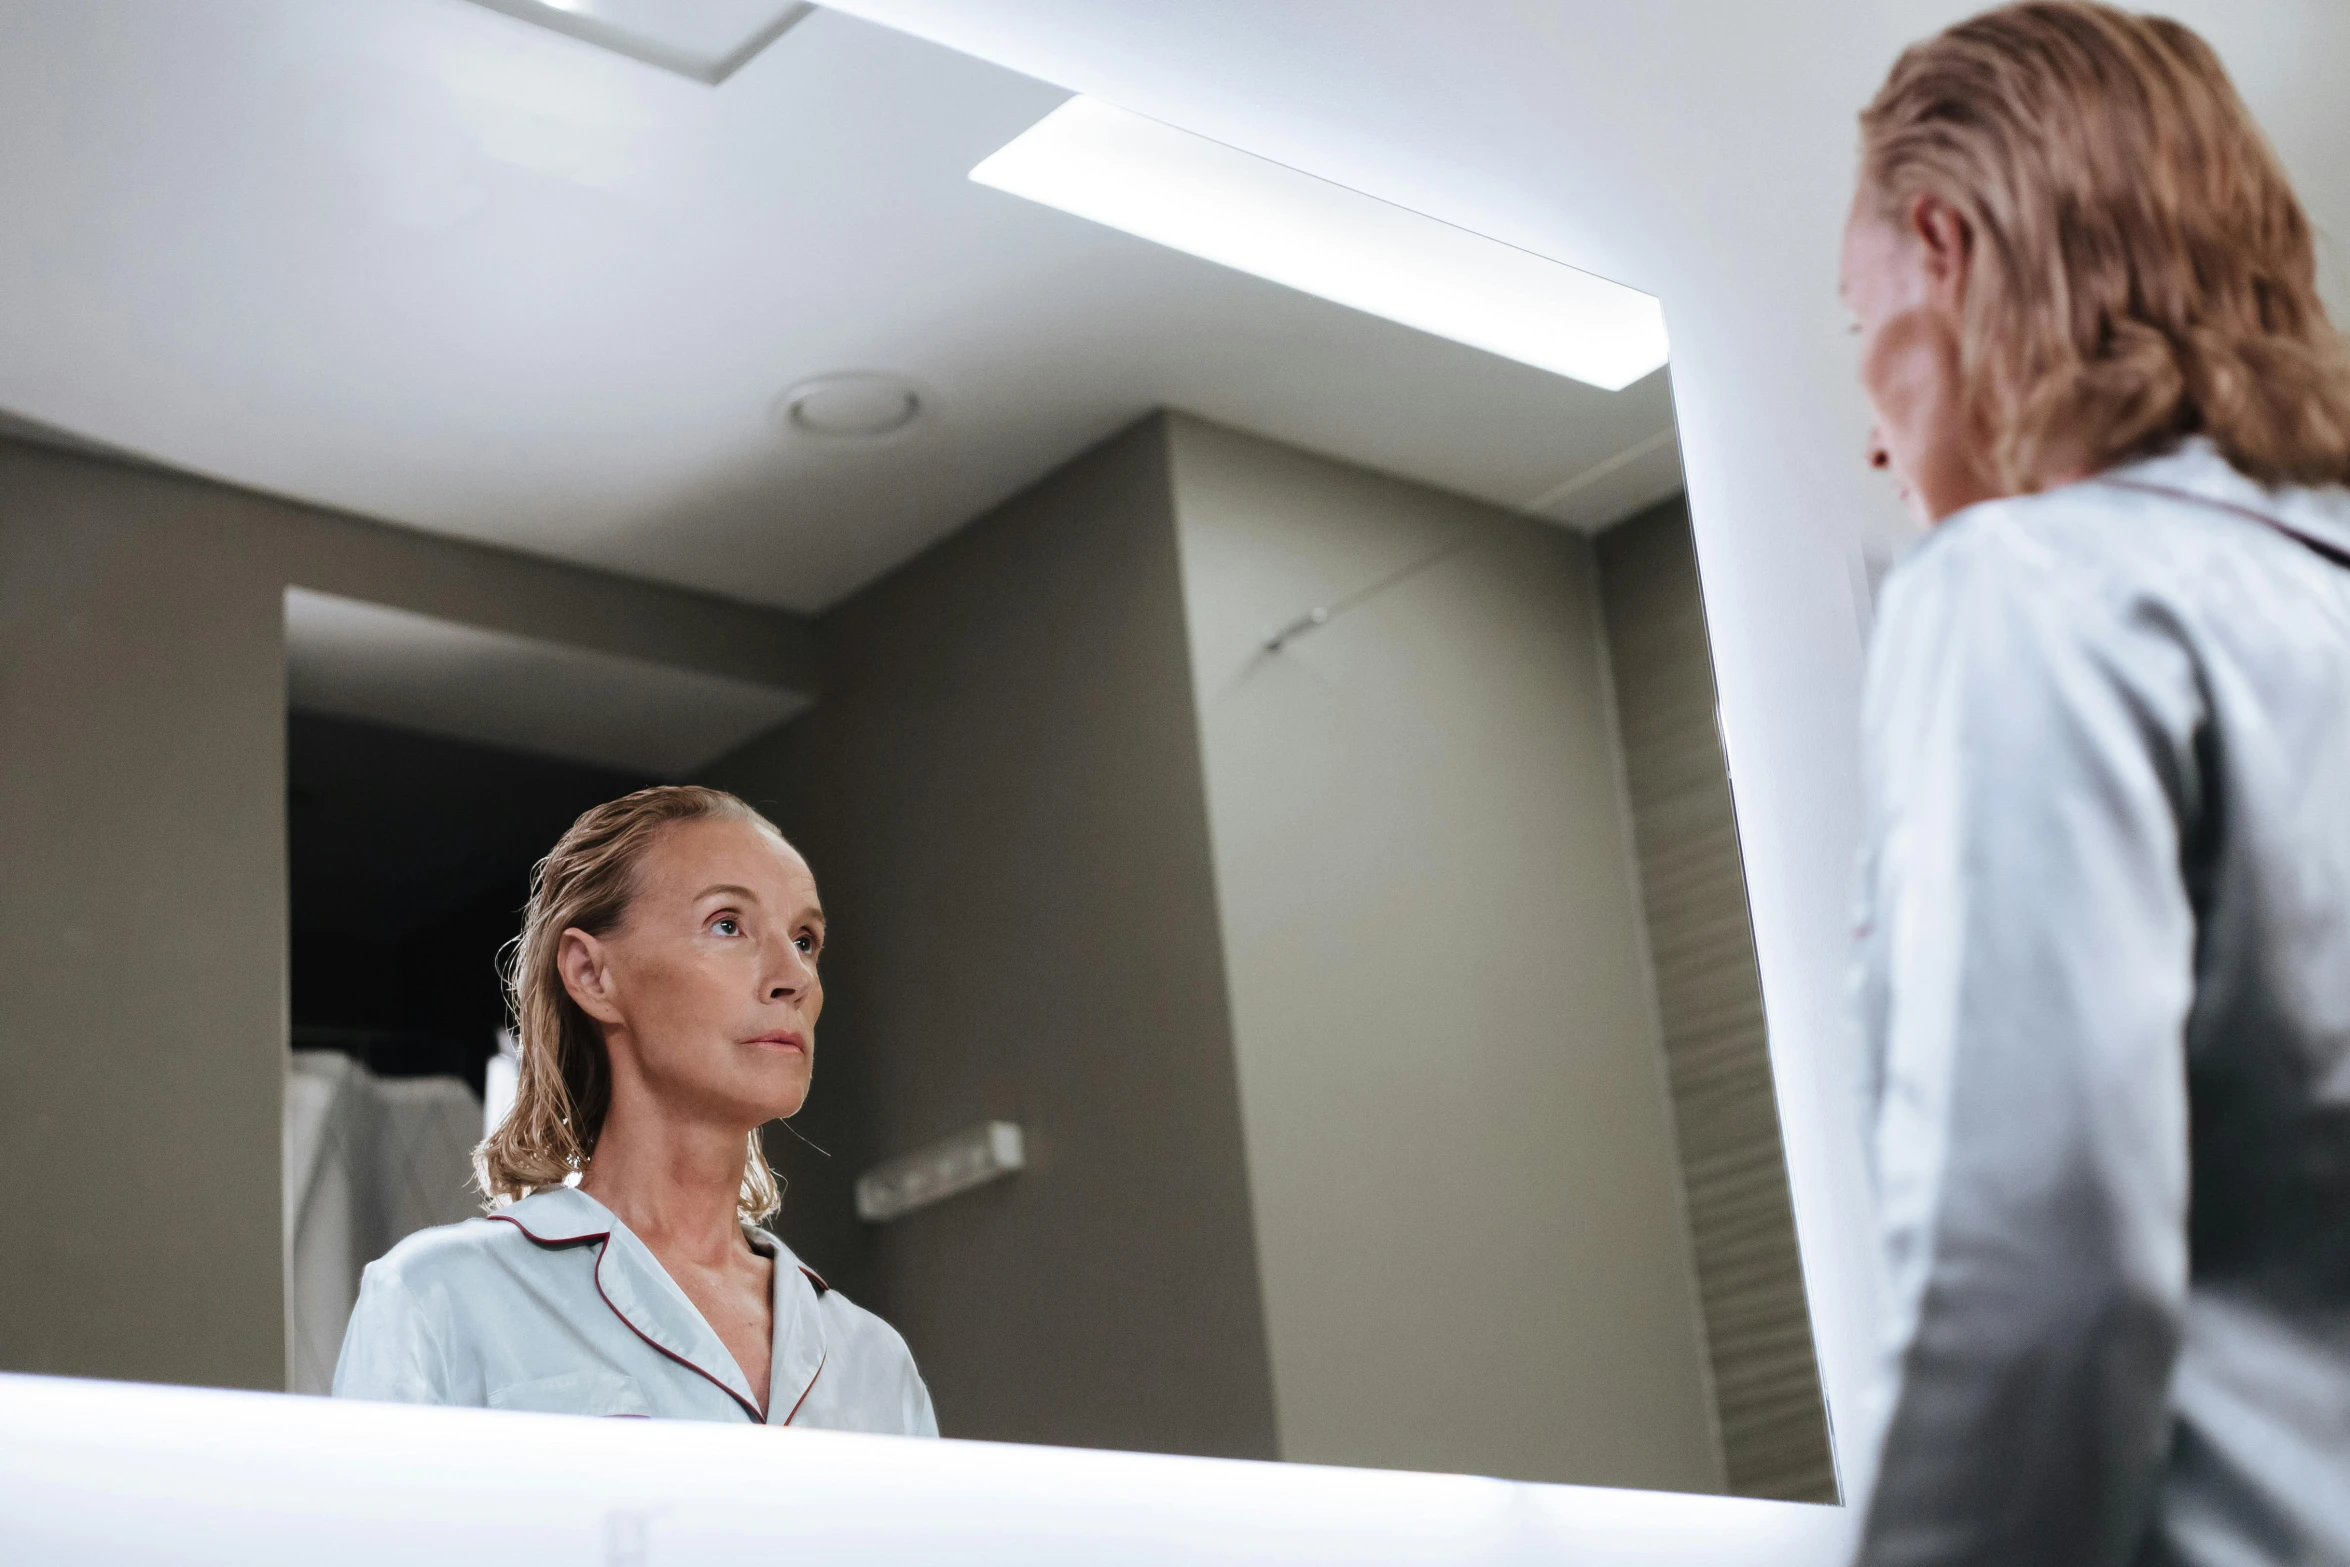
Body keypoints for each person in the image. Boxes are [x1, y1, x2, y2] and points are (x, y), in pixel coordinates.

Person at [1840, 5, 2350, 1564]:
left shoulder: (2027, 591)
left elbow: (2035, 1269)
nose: (1870, 443)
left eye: (1847, 322)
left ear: (1941, 247)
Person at [334, 786, 936, 1434]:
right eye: (728, 923)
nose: (793, 976)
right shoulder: (438, 1297)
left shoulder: (877, 1363)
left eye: (806, 939)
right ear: (593, 975)